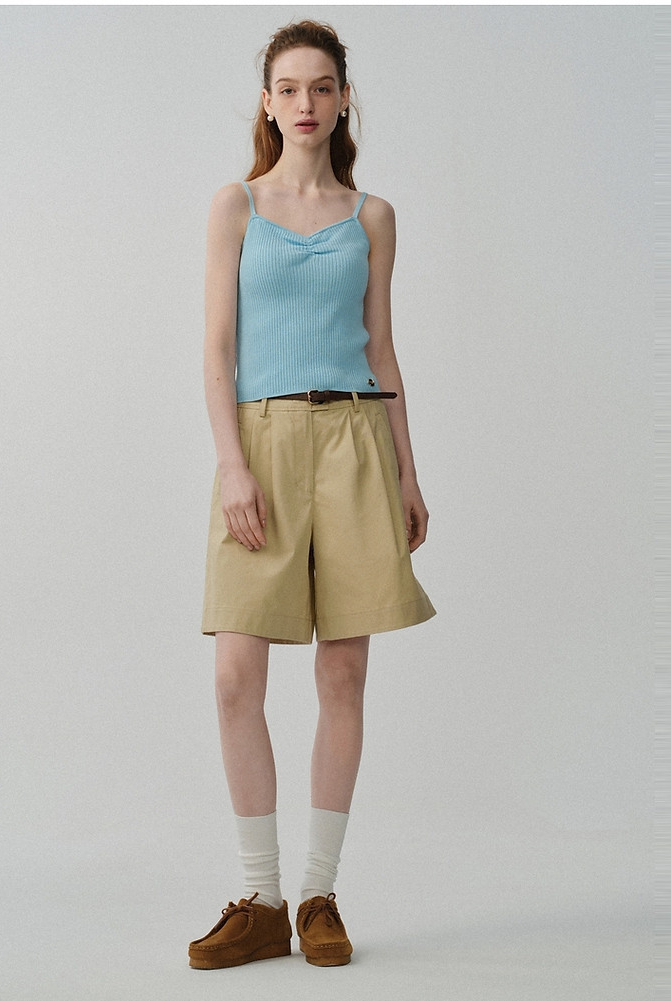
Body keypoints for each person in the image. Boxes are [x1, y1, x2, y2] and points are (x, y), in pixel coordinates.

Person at [189, 20, 436, 970]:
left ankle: (319, 895)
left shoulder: (372, 217)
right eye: (288, 88)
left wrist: (408, 472)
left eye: (321, 87)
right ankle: (258, 897)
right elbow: (216, 351)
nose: (305, 103)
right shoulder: (236, 207)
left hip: (355, 443)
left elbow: (384, 351)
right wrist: (232, 465)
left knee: (343, 676)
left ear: (342, 100)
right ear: (267, 102)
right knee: (235, 677)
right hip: (260, 443)